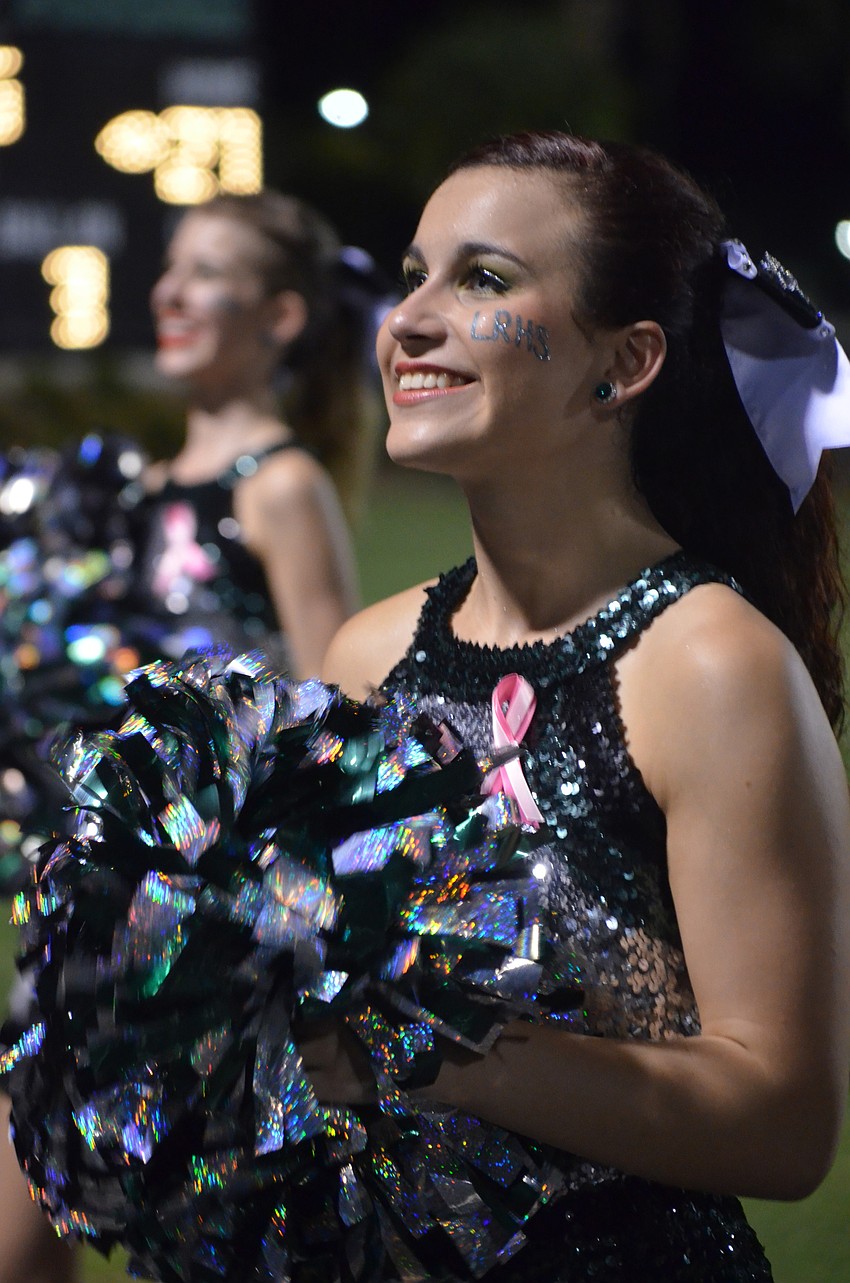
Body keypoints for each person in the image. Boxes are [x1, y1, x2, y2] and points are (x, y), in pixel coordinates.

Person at [314, 131, 850, 1279]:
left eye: (483, 279)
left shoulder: (707, 662)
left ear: (624, 362)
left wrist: (432, 1045)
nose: (408, 319)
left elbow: (783, 1120)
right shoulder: (366, 654)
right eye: (413, 275)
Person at [133, 189, 377, 679]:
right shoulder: (151, 484)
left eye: (205, 273)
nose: (168, 294)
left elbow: (334, 706)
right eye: (171, 268)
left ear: (280, 317)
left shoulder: (282, 485)